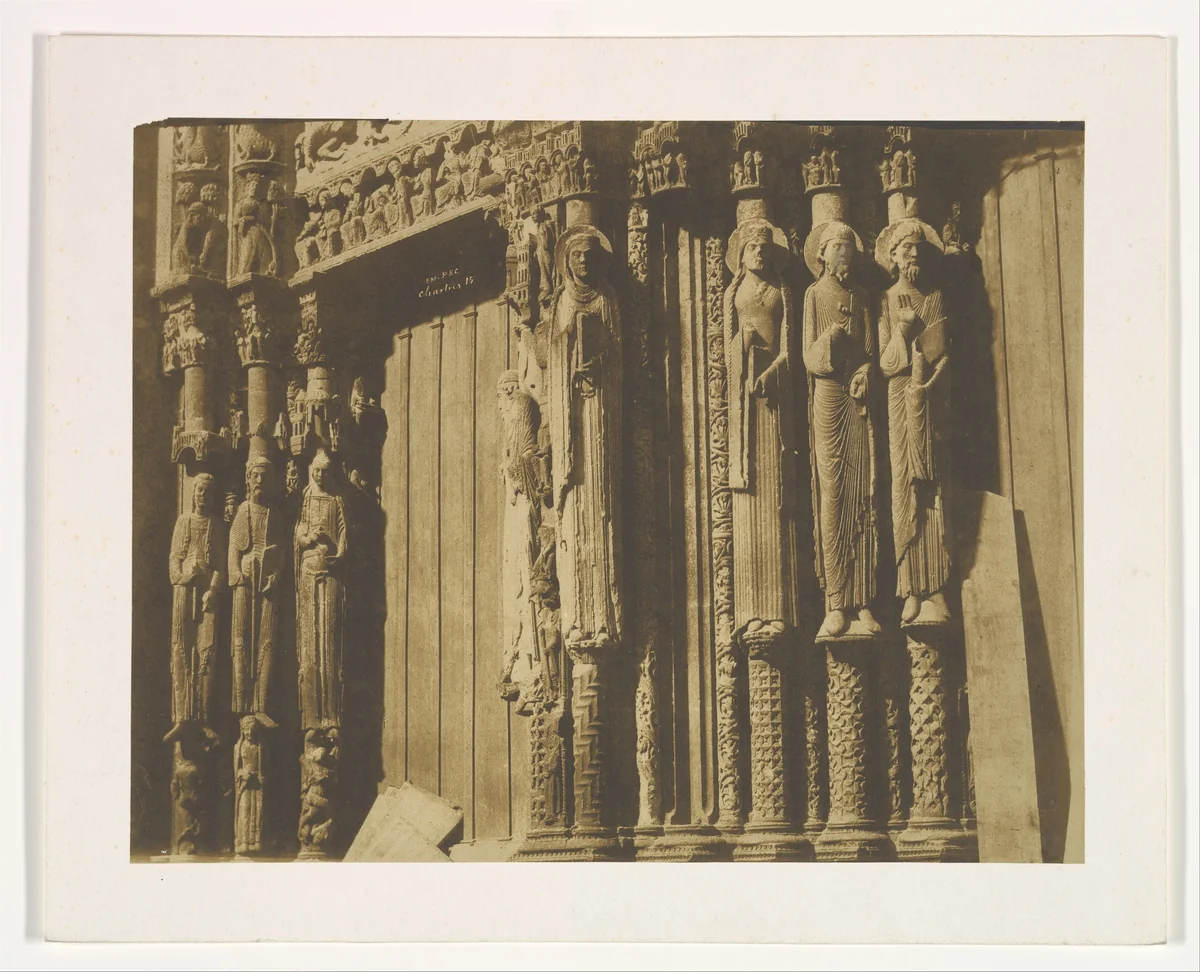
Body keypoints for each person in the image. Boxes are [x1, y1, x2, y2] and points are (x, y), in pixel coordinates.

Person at [801, 221, 881, 638]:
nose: (845, 254)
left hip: (857, 400)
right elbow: (808, 359)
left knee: (863, 495)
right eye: (838, 247)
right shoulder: (814, 296)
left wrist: (867, 372)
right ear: (823, 255)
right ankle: (836, 600)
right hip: (829, 400)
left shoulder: (863, 297)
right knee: (833, 497)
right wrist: (830, 339)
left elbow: (870, 353)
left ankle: (863, 600)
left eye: (850, 247)